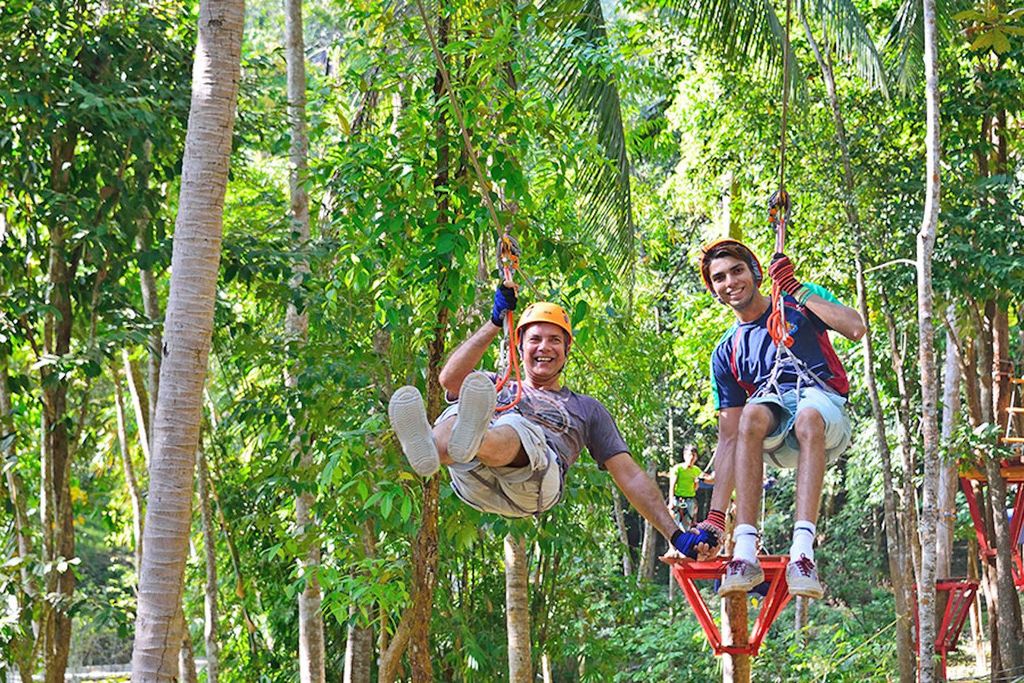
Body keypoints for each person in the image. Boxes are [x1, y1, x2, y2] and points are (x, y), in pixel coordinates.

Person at [388, 284, 706, 557]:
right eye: (535, 339)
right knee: (465, 401)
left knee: (513, 426)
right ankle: (432, 449)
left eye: (555, 340)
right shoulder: (497, 387)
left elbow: (630, 477)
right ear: (520, 346)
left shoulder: (587, 409)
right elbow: (449, 379)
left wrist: (675, 534)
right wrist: (495, 321)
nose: (544, 347)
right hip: (473, 481)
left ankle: (468, 441)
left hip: (535, 483)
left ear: (567, 350)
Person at [692, 237, 865, 599]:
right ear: (715, 291)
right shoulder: (727, 351)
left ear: (755, 273)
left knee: (807, 417)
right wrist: (715, 517)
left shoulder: (796, 303)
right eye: (720, 278)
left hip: (822, 413)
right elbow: (729, 439)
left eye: (737, 271)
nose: (731, 282)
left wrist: (797, 289)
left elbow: (855, 327)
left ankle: (803, 553)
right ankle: (744, 552)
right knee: (751, 415)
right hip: (773, 432)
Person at [667, 445, 703, 526]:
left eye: (694, 455)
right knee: (674, 525)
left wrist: (696, 482)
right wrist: (671, 502)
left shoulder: (696, 470)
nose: (691, 458)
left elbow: (695, 488)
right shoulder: (677, 468)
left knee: (687, 525)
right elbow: (672, 486)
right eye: (690, 455)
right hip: (677, 499)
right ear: (684, 456)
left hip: (690, 500)